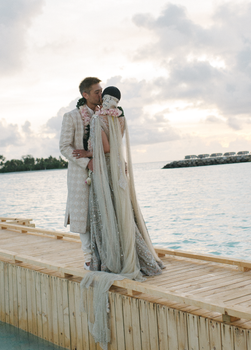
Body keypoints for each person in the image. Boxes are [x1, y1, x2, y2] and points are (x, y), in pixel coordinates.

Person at [75, 86, 164, 348]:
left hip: (105, 171)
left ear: (104, 99)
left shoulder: (98, 118)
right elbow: (117, 145)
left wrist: (88, 153)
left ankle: (111, 257)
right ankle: (140, 255)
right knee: (123, 213)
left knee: (107, 213)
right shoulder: (120, 118)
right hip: (117, 169)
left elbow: (104, 147)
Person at [59, 77, 102, 270]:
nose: (101, 95)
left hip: (103, 172)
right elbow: (64, 147)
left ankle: (105, 253)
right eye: (97, 92)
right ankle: (88, 258)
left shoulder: (105, 115)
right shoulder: (72, 116)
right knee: (82, 216)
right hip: (79, 174)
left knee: (102, 213)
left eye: (101, 91)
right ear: (85, 95)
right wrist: (87, 162)